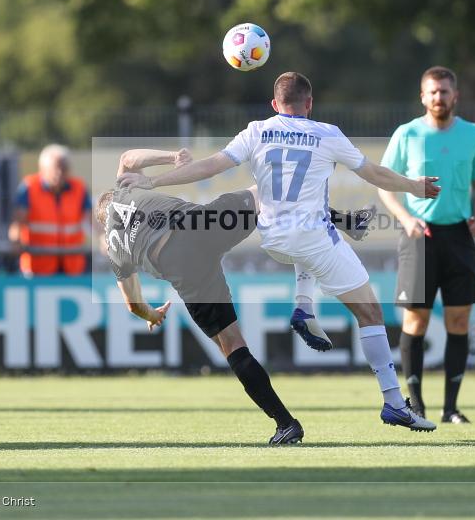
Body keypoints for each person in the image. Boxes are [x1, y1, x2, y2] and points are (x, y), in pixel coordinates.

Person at [118, 71, 441, 432]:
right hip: (314, 239)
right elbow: (374, 174)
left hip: (272, 239)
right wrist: (415, 186)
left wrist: (153, 180)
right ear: (310, 103)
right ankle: (395, 403)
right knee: (370, 313)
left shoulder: (256, 130)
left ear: (275, 105)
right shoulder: (327, 134)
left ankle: (305, 303)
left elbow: (210, 166)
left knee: (291, 214)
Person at [98, 147, 303, 445]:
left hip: (183, 269)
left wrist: (152, 315)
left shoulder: (116, 254)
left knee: (231, 344)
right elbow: (127, 158)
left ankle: (286, 424)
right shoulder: (124, 189)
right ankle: (334, 218)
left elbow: (133, 304)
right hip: (197, 226)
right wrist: (172, 158)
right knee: (264, 194)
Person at [377, 66, 475, 424]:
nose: (439, 98)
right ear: (422, 97)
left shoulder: (472, 134)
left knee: (459, 319)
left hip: (458, 235)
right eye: (433, 92)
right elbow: (385, 185)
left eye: (444, 91)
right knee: (417, 320)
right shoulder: (406, 134)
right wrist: (406, 219)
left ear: (455, 96)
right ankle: (417, 405)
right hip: (419, 236)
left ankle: (451, 408)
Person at [10, 144, 91, 277]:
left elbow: (91, 220)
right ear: (42, 169)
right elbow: (18, 223)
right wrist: (15, 240)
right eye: (56, 168)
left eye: (64, 168)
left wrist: (104, 238)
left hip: (72, 267)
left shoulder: (79, 188)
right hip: (37, 268)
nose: (60, 173)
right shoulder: (29, 188)